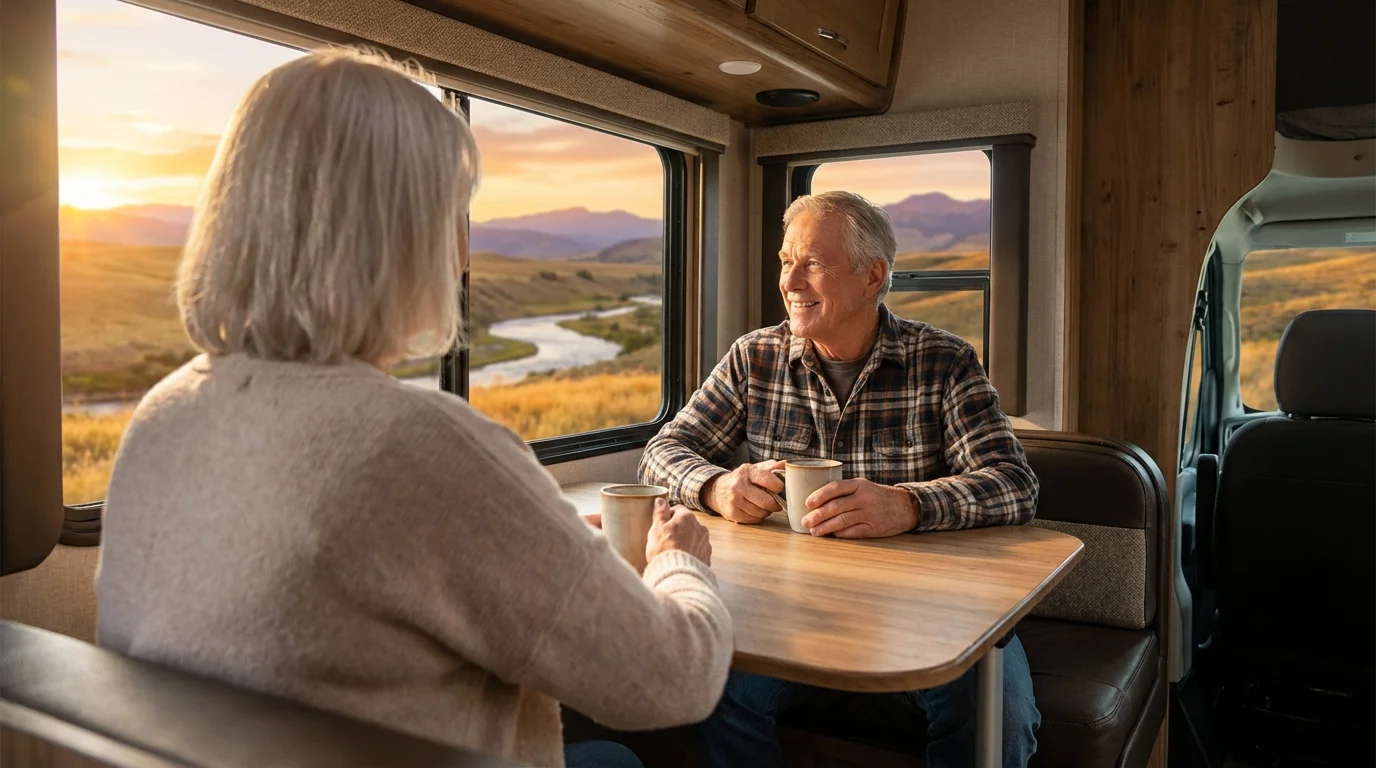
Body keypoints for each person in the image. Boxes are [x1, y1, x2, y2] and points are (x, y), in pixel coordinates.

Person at [95, 48, 733, 768]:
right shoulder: (420, 444)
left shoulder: (163, 413)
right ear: (393, 238)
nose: (461, 255)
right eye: (451, 216)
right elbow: (672, 680)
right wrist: (679, 561)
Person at [638, 190, 1041, 767]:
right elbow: (663, 450)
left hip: (930, 610)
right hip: (790, 611)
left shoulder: (945, 361)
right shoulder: (755, 357)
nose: (790, 281)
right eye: (785, 261)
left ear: (871, 275)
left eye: (813, 263)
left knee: (998, 712)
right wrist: (715, 487)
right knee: (708, 691)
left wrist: (908, 505)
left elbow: (1014, 483)